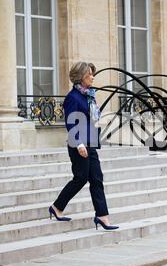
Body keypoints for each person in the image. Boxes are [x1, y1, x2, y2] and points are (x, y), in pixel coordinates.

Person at [49, 62, 119, 231]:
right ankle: (57, 207)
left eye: (92, 74)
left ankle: (102, 216)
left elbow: (92, 119)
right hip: (78, 143)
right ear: (81, 77)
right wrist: (79, 143)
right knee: (80, 178)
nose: (93, 77)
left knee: (96, 178)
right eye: (89, 75)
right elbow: (71, 122)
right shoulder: (72, 97)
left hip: (91, 141)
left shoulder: (89, 96)